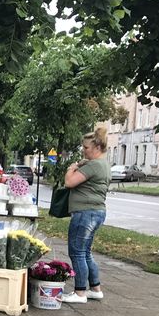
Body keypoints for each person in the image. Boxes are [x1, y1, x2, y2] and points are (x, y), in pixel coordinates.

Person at [61, 127, 110, 303]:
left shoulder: (93, 165)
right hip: (97, 212)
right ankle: (95, 288)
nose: (83, 150)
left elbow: (69, 182)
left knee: (77, 252)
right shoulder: (104, 164)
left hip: (85, 213)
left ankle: (80, 292)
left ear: (97, 147)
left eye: (86, 147)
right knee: (86, 252)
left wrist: (71, 168)